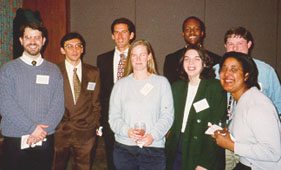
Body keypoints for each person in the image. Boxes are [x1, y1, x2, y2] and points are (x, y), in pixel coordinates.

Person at [213, 26, 281, 170]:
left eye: (234, 69)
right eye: (224, 69)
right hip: (243, 153)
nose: (227, 74)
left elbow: (272, 152)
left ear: (247, 75)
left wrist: (231, 145)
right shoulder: (240, 98)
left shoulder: (258, 103)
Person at [0, 22, 65, 170]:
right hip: (15, 139)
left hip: (44, 138)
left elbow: (58, 105)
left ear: (43, 41)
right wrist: (31, 128)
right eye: (28, 37)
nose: (33, 41)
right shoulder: (8, 69)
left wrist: (41, 132)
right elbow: (5, 104)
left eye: (37, 37)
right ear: (21, 40)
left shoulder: (53, 70)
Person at [108, 39, 174, 170]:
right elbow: (113, 117)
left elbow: (167, 116)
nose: (138, 59)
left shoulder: (161, 83)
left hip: (153, 148)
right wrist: (127, 131)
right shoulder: (120, 85)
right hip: (124, 148)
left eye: (142, 54)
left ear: (149, 57)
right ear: (130, 58)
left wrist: (152, 136)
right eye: (134, 55)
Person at [165, 45, 227, 170]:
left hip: (202, 147)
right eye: (187, 59)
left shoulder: (215, 88)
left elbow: (217, 127)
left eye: (196, 59)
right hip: (177, 147)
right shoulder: (177, 87)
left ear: (205, 63)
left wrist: (204, 163)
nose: (190, 62)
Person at [52, 32, 101, 170]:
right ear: (62, 50)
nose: (74, 49)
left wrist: (94, 124)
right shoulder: (54, 71)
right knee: (57, 166)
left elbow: (96, 102)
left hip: (85, 131)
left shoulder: (93, 72)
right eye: (69, 46)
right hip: (60, 131)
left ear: (82, 49)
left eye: (78, 46)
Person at [96, 17, 135, 170]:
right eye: (116, 32)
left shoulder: (139, 57)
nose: (119, 36)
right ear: (112, 36)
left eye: (123, 32)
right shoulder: (102, 59)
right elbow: (101, 92)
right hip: (111, 117)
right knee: (112, 157)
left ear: (131, 35)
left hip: (134, 117)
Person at [164, 16, 221, 84]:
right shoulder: (171, 59)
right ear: (183, 34)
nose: (192, 32)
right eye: (187, 29)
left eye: (196, 29)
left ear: (202, 33)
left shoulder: (216, 60)